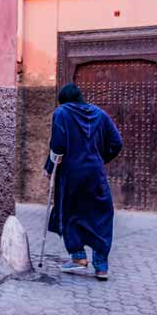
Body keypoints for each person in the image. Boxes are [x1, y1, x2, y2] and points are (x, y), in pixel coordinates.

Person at [45, 83, 123, 280]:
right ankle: (101, 267)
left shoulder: (61, 112)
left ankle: (78, 257)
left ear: (63, 99)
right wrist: (99, 159)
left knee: (70, 213)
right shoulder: (100, 114)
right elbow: (116, 143)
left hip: (71, 174)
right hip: (95, 174)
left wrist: (50, 169)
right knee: (100, 214)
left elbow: (57, 147)